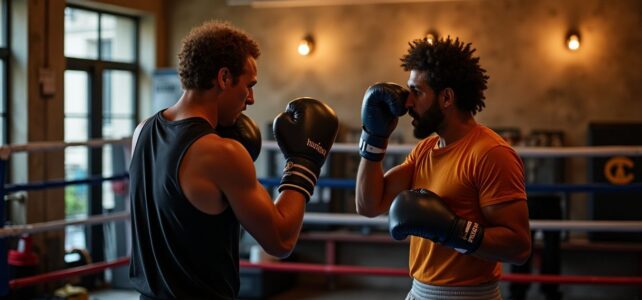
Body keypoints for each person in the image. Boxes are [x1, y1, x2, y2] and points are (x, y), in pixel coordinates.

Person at [128, 20, 339, 300]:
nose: (250, 99)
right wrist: (303, 164)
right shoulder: (221, 153)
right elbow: (281, 240)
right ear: (224, 78)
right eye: (248, 85)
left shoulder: (142, 131)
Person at [355, 36, 531, 300]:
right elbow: (369, 205)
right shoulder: (425, 150)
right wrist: (374, 138)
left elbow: (518, 247)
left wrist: (455, 231)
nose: (408, 103)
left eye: (417, 91)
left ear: (446, 97)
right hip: (419, 291)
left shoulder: (491, 154)